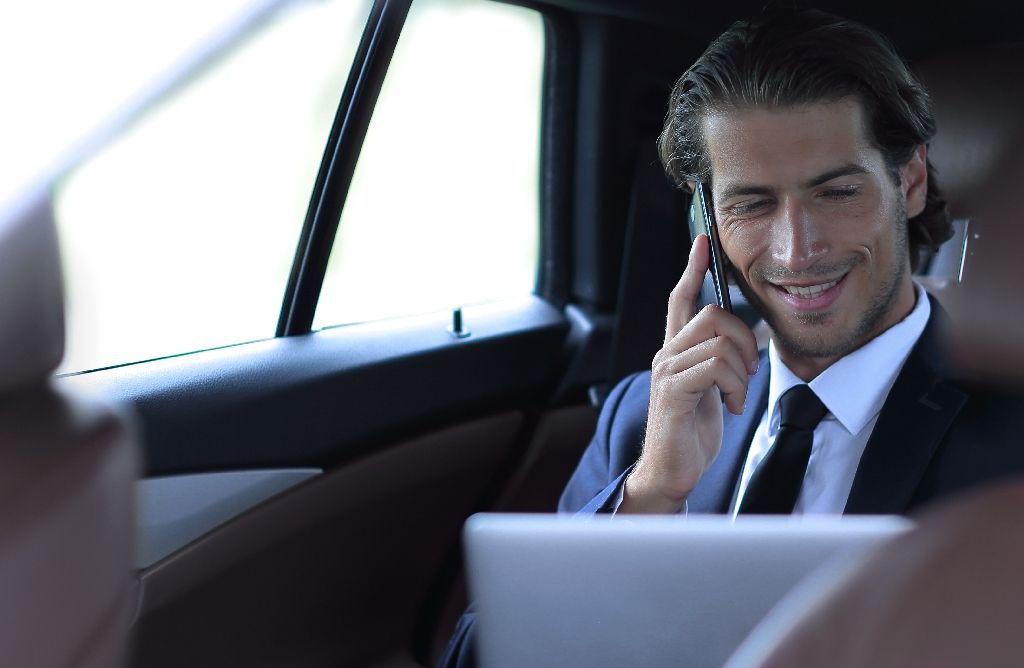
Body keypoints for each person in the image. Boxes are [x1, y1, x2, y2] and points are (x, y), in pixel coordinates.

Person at [438, 8, 1024, 667]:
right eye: (752, 203)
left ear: (910, 181)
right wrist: (652, 494)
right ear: (707, 219)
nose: (796, 250)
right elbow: (480, 657)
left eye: (835, 193)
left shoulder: (1010, 431)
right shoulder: (646, 417)